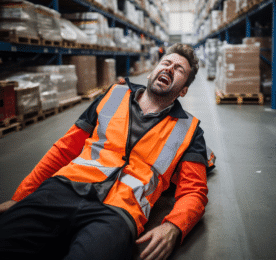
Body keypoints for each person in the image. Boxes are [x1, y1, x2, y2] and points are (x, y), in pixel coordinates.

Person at [0, 43, 214, 260]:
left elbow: (193, 190)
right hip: (63, 190)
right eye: (166, 63)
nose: (169, 69)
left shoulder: (190, 130)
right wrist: (21, 196)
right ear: (152, 71)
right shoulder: (113, 96)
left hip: (118, 213)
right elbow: (64, 149)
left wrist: (174, 226)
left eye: (179, 70)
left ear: (184, 90)